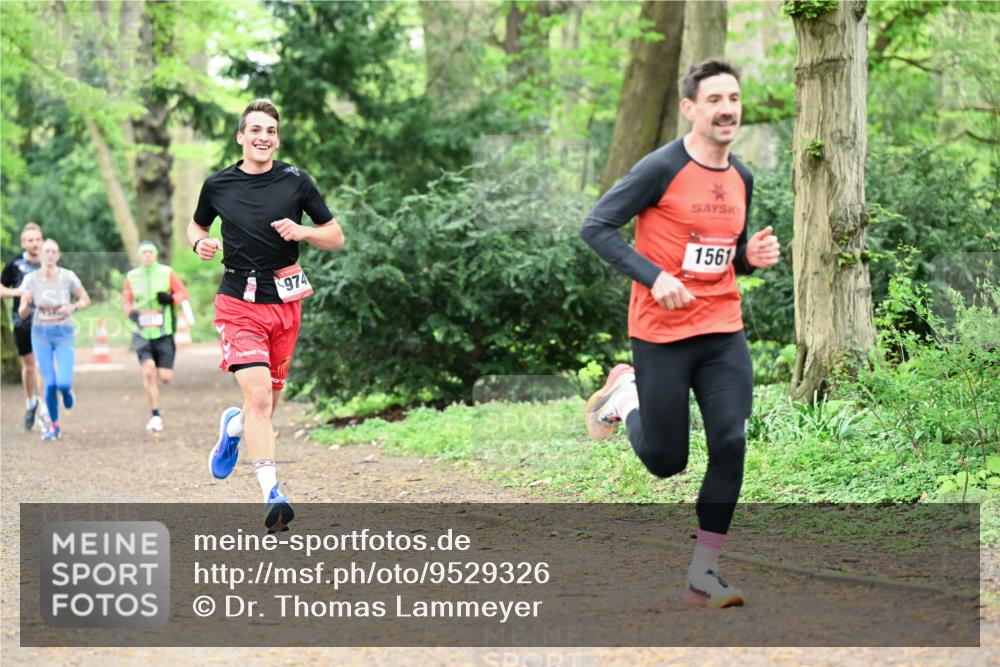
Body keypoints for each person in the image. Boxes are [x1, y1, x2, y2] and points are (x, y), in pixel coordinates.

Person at [580, 59, 781, 608]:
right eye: (714, 100)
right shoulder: (661, 168)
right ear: (690, 109)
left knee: (731, 441)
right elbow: (596, 227)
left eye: (733, 98)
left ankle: (705, 570)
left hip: (722, 331)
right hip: (661, 334)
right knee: (667, 461)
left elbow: (725, 256)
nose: (727, 109)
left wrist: (750, 256)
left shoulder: (741, 177)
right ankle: (625, 397)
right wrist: (654, 276)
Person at [187, 99, 345, 532]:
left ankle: (232, 428)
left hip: (285, 303)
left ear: (276, 139)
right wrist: (199, 243)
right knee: (258, 399)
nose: (263, 137)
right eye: (255, 129)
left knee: (267, 405)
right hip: (237, 303)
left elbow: (335, 236)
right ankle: (271, 494)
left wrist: (303, 231)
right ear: (241, 136)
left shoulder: (296, 181)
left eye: (270, 131)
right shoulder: (218, 185)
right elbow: (197, 226)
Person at [17, 238, 91, 440]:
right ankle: (54, 426)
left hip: (63, 332)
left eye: (54, 252)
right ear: (40, 255)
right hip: (40, 333)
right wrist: (24, 306)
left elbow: (85, 299)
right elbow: (22, 311)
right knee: (49, 384)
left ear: (58, 256)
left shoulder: (68, 276)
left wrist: (72, 307)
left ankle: (67, 392)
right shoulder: (30, 279)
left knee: (63, 383)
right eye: (46, 251)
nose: (50, 255)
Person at [122, 240, 191, 433]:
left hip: (163, 331)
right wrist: (130, 312)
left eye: (150, 252)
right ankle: (155, 415)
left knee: (165, 377)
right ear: (139, 256)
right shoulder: (132, 276)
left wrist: (171, 299)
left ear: (155, 255)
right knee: (148, 372)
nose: (147, 255)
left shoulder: (166, 273)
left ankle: (159, 392)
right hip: (141, 332)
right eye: (143, 253)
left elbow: (183, 294)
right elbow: (126, 300)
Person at [1, 222, 51, 431]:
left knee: (42, 365)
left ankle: (45, 410)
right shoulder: (15, 264)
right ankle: (31, 401)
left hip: (46, 321)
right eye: (31, 240)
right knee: (29, 367)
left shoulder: (50, 262)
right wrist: (19, 292)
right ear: (23, 243)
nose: (35, 243)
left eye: (38, 239)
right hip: (22, 322)